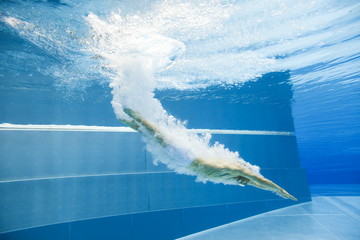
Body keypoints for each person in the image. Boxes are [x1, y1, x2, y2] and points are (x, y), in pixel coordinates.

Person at [121, 108, 297, 201]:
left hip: (184, 160)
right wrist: (281, 190)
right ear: (246, 169)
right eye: (248, 174)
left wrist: (277, 192)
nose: (247, 178)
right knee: (157, 135)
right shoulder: (237, 169)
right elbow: (260, 181)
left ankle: (129, 121)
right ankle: (134, 115)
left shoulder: (234, 173)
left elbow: (255, 184)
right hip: (185, 157)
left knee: (153, 137)